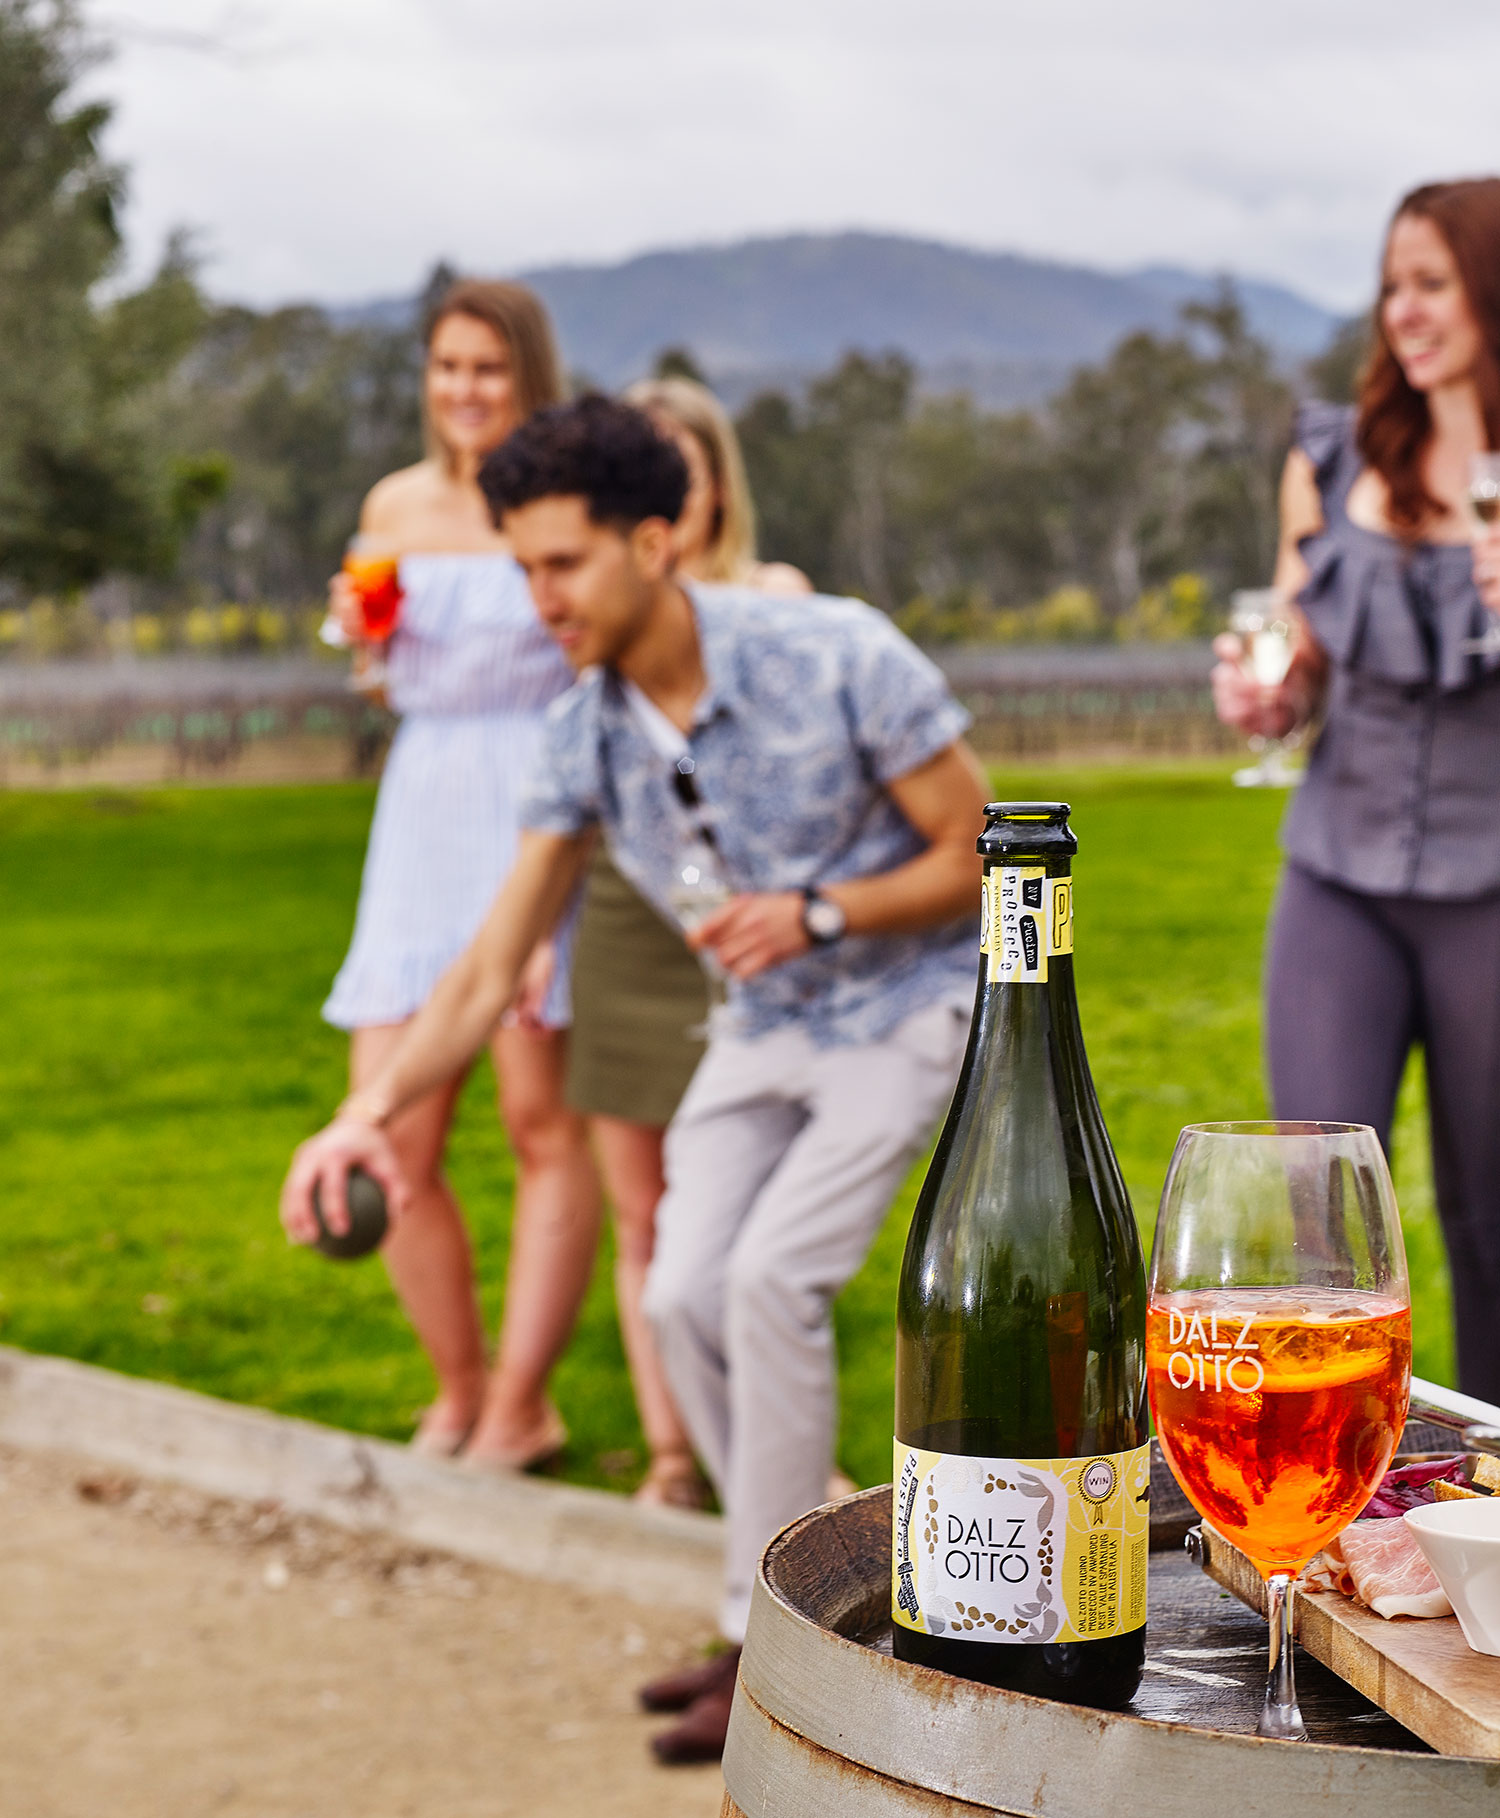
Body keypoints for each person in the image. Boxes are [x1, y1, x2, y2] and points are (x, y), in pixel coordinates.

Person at [281, 395, 988, 1763]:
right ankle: (778, 1617)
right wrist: (364, 1111)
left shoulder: (833, 651)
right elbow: (490, 969)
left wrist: (823, 911)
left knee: (771, 1279)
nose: (534, 596)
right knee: (675, 1289)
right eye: (521, 565)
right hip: (763, 1023)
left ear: (655, 541)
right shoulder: (585, 731)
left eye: (561, 564)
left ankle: (779, 1643)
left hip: (906, 1002)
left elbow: (982, 845)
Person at [1212, 177, 1500, 1399]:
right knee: (1317, 1216)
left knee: (1492, 1226)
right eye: (1393, 283)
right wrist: (1265, 694)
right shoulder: (1332, 460)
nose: (1404, 311)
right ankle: (1330, 1504)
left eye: (1432, 282)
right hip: (1338, 876)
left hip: (1493, 889)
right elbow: (1299, 650)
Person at [321, 280, 600, 1466]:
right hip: (421, 812)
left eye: (487, 368)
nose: (464, 391)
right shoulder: (395, 503)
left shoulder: (557, 503)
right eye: (447, 367)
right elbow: (385, 680)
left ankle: (520, 1404)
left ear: (526, 376)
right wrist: (362, 642)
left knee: (541, 1122)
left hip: (535, 812)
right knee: (395, 1133)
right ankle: (459, 1381)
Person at [565, 375, 812, 1510]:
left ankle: (775, 1466)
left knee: (761, 1235)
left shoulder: (774, 600)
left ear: (714, 486)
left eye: (681, 462)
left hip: (760, 933)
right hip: (629, 919)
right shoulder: (597, 613)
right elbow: (580, 788)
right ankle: (676, 1456)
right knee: (642, 1210)